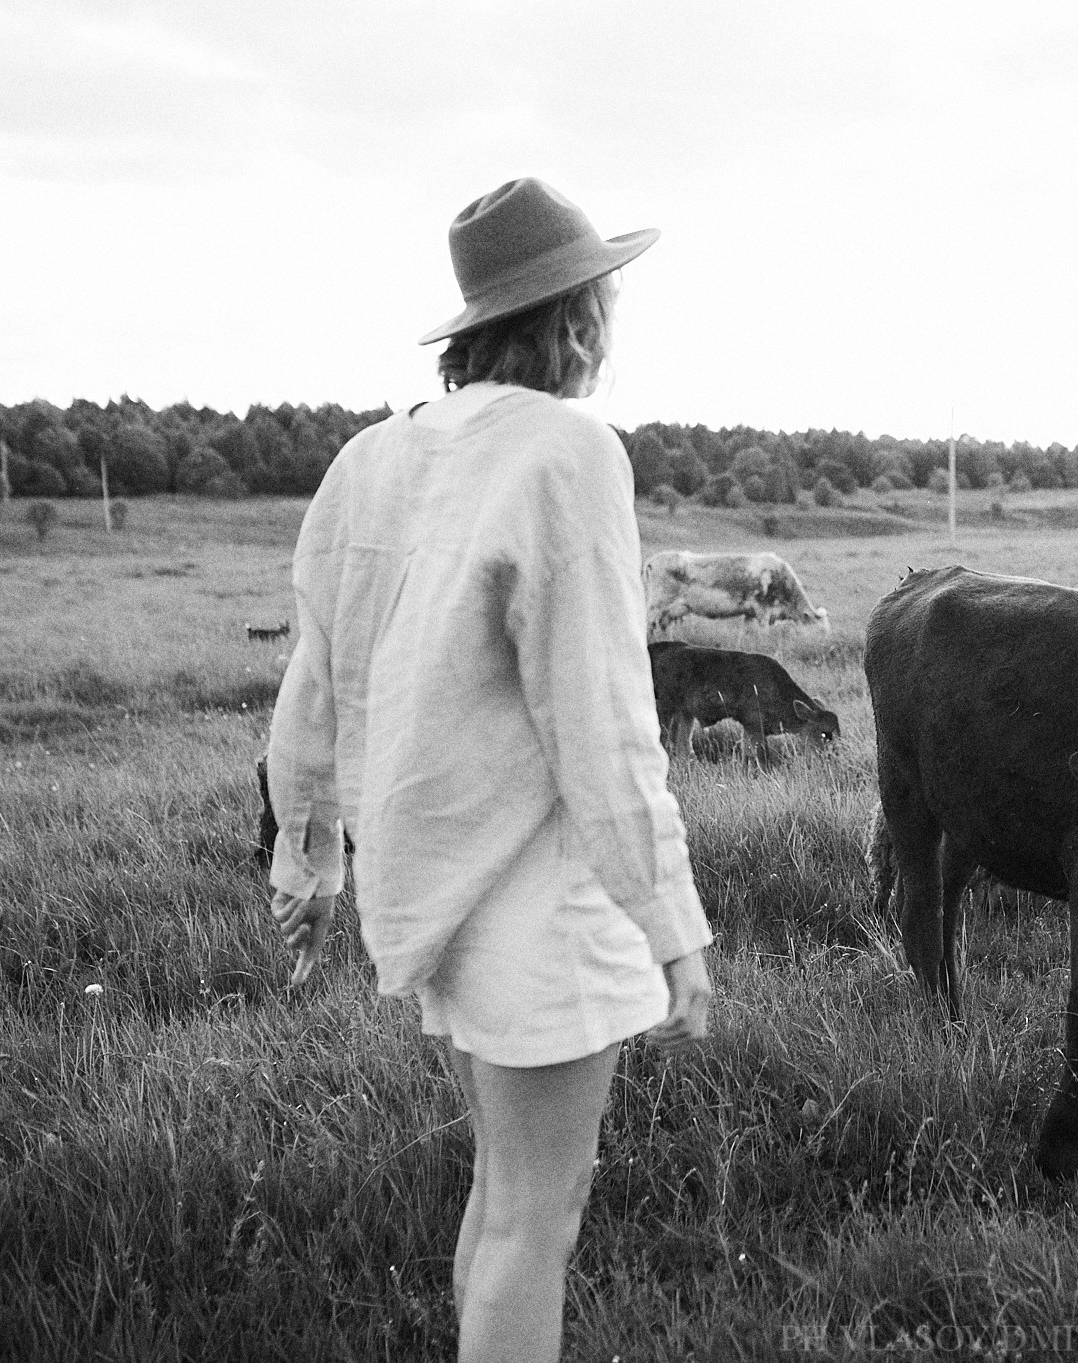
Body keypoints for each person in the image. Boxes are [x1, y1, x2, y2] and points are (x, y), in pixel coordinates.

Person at [264, 177, 713, 1363]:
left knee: (502, 1193)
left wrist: (308, 854)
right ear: (575, 317)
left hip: (435, 896)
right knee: (535, 1214)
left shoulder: (372, 455)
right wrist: (671, 924)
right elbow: (601, 715)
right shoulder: (569, 452)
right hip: (543, 898)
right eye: (604, 301)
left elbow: (314, 679)